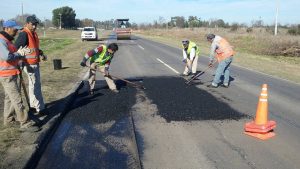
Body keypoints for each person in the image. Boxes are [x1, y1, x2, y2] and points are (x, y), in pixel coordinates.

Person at [0, 20, 39, 132]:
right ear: (6, 28)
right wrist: (19, 53)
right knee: (17, 99)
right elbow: (7, 57)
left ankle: (8, 119)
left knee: (9, 98)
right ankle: (24, 122)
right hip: (6, 75)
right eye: (14, 29)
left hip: (13, 72)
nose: (16, 31)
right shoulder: (1, 41)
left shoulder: (8, 41)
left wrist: (20, 61)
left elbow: (13, 57)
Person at [14, 15, 47, 115]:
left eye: (35, 24)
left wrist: (41, 53)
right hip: (29, 64)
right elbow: (15, 48)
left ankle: (33, 106)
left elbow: (34, 48)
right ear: (27, 24)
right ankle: (40, 108)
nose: (34, 26)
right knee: (36, 86)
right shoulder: (24, 34)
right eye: (32, 24)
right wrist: (20, 58)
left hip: (34, 63)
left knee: (33, 86)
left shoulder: (33, 34)